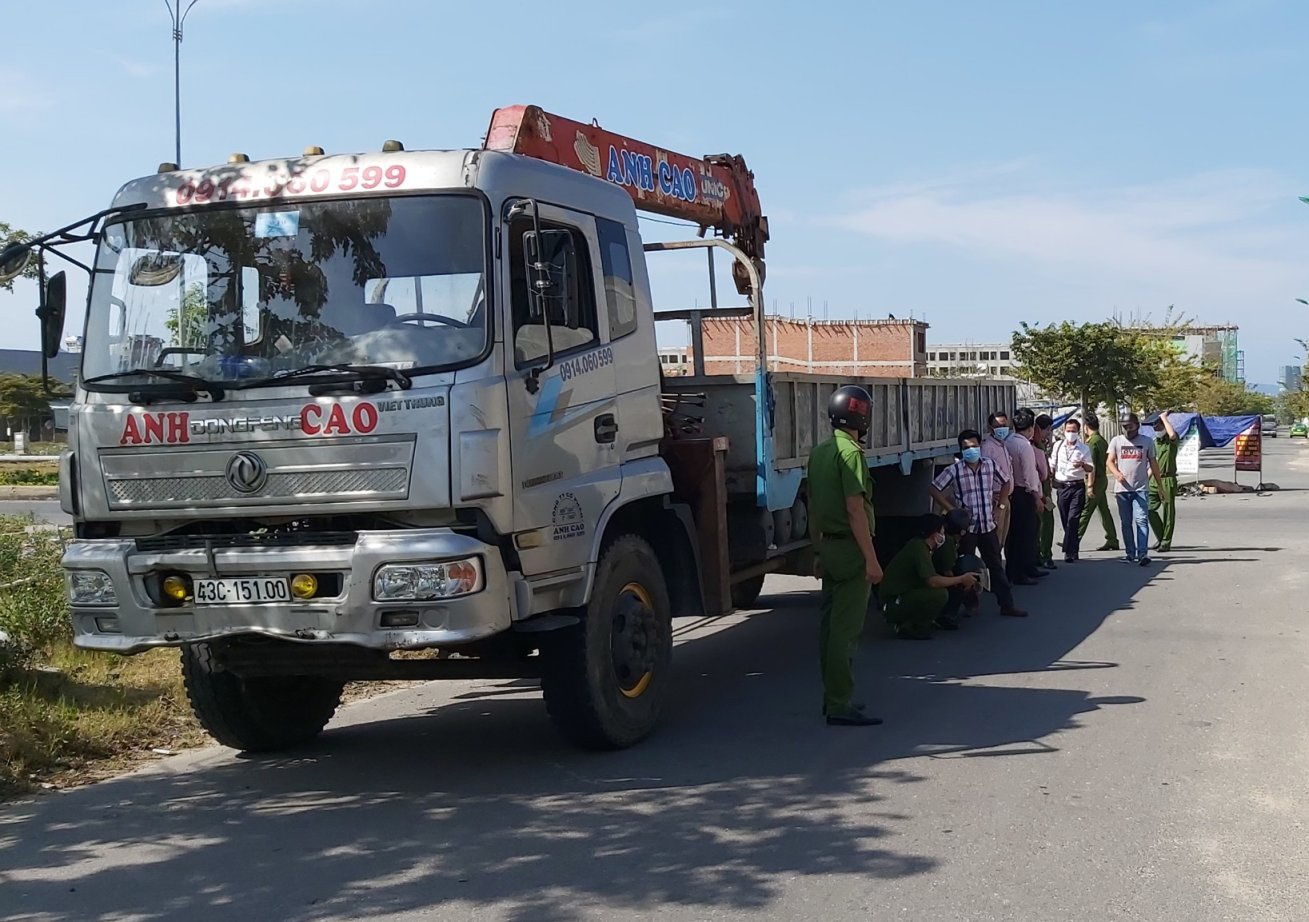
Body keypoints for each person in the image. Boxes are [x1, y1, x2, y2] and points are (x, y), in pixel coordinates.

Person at [807, 385, 883, 727]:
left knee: (828, 629)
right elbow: (855, 510)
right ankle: (839, 703)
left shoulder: (820, 451)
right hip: (852, 551)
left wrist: (817, 550)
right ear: (862, 417)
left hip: (829, 546)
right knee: (846, 632)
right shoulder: (851, 454)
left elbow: (815, 507)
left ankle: (832, 697)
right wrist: (871, 559)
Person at [928, 429, 1027, 617]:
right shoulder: (955, 470)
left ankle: (1007, 604)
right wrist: (951, 509)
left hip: (988, 524)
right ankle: (969, 603)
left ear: (979, 446)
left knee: (996, 565)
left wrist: (1001, 505)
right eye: (966, 448)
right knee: (966, 565)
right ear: (961, 450)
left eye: (974, 446)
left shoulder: (990, 465)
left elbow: (1006, 482)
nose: (970, 450)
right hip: (967, 528)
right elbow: (933, 488)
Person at [880, 514, 981, 639]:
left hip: (898, 596)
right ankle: (913, 626)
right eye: (942, 532)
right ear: (935, 534)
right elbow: (932, 581)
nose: (943, 535)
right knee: (940, 594)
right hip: (893, 602)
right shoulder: (919, 548)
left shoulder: (921, 546)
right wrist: (961, 579)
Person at [1106, 413, 1164, 566]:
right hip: (1122, 490)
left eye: (1129, 426)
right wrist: (1116, 473)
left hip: (1141, 488)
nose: (1127, 430)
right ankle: (1130, 553)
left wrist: (1159, 485)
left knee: (1141, 520)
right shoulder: (1116, 441)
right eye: (1124, 427)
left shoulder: (1147, 442)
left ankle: (1143, 553)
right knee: (1126, 522)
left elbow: (1153, 464)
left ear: (1137, 425)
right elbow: (1110, 461)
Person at [1004, 408, 1045, 585]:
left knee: (1012, 535)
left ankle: (1012, 571)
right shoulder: (1025, 446)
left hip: (1013, 492)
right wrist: (1037, 497)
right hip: (1025, 492)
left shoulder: (1008, 441)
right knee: (1025, 535)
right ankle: (1020, 573)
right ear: (1030, 428)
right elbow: (1030, 475)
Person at [1050, 418, 1094, 562]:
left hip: (1077, 486)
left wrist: (1082, 464)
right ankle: (1073, 547)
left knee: (1073, 519)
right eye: (1068, 431)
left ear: (1078, 432)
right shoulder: (1058, 446)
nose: (1070, 433)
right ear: (1064, 431)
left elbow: (1090, 468)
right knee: (1065, 520)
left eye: (1073, 431)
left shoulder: (1084, 448)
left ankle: (1069, 551)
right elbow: (1052, 465)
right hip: (1062, 487)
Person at [1077, 416, 1119, 552]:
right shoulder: (1101, 440)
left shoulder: (1092, 443)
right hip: (1102, 479)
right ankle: (1112, 539)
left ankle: (1073, 538)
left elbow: (1091, 466)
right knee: (1103, 510)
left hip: (1095, 480)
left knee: (1086, 510)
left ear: (1086, 427)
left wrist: (1090, 486)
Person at [933, 508, 981, 625]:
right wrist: (963, 581)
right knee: (960, 581)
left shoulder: (946, 539)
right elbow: (947, 572)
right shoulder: (948, 544)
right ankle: (947, 614)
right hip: (935, 578)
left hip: (934, 575)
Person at [982, 413, 1016, 546]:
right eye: (998, 426)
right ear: (990, 428)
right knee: (995, 539)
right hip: (996, 499)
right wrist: (998, 505)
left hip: (1005, 498)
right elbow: (985, 477)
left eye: (1004, 425)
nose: (1002, 429)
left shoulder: (1002, 445)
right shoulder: (988, 448)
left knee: (1001, 538)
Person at [1147, 412, 1179, 552]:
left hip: (1167, 479)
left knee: (1168, 512)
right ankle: (1160, 537)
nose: (1157, 430)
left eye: (1159, 427)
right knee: (1149, 508)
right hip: (1155, 479)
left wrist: (1164, 418)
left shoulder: (1171, 440)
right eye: (1155, 428)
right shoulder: (1154, 443)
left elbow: (1172, 435)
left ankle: (1166, 542)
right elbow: (1153, 463)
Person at [1033, 413, 1057, 569]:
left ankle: (1041, 554)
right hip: (1039, 489)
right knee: (1043, 523)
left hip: (1042, 488)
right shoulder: (1033, 445)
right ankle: (1043, 555)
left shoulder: (1038, 443)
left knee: (1042, 523)